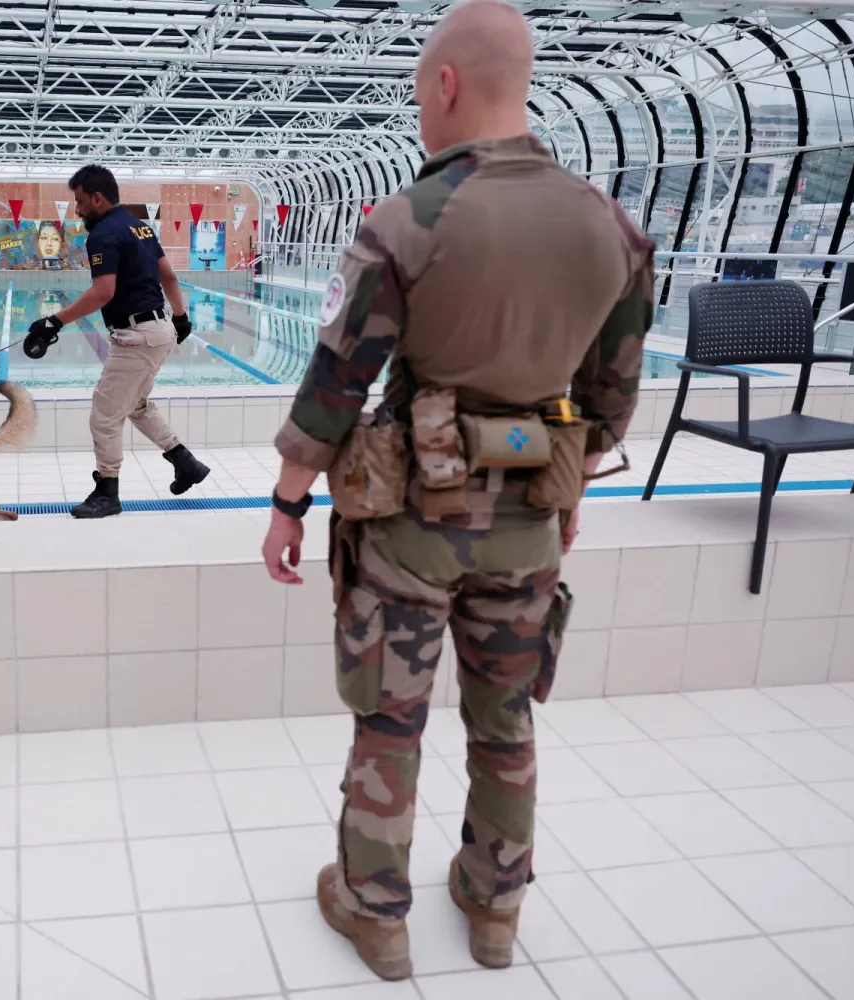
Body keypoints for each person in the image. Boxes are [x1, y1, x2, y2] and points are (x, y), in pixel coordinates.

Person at [258, 0, 654, 981]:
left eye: (417, 96)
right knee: (505, 719)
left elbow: (339, 380)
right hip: (531, 519)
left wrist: (289, 499)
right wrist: (567, 493)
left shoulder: (409, 218)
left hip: (408, 525)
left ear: (443, 85)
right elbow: (611, 401)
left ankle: (375, 912)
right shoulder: (610, 225)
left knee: (391, 720)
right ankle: (494, 908)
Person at [27, 164, 212, 518]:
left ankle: (107, 491)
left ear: (98, 199)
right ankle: (186, 463)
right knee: (136, 405)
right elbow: (170, 277)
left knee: (104, 415)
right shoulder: (140, 227)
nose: (77, 210)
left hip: (137, 336)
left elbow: (102, 293)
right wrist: (181, 317)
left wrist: (54, 321)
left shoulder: (103, 235)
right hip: (159, 332)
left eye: (80, 202)